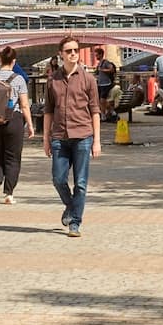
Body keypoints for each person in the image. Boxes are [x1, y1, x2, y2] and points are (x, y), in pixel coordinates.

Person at [42, 36, 102, 237]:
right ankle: (71, 207)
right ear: (61, 54)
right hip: (59, 136)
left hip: (83, 135)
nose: (73, 54)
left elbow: (95, 111)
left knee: (81, 183)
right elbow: (48, 111)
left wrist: (97, 141)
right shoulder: (53, 81)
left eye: (75, 50)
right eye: (68, 51)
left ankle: (75, 223)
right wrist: (45, 139)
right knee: (58, 179)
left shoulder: (88, 79)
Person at [0, 46, 31, 204]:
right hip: (13, 120)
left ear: (0, 60)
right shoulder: (18, 79)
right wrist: (30, 124)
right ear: (14, 61)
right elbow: (24, 105)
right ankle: (8, 193)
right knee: (13, 157)